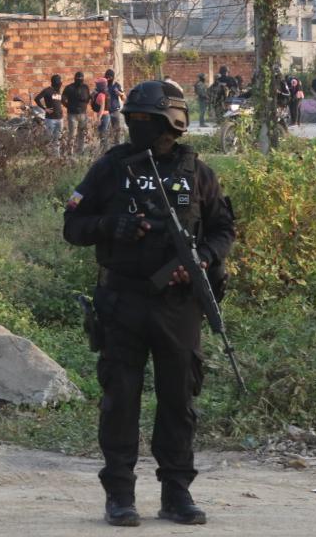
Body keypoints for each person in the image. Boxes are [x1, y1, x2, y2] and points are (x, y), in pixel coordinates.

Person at [63, 80, 236, 528]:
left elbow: (222, 230)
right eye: (132, 119)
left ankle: (176, 491)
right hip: (123, 300)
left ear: (170, 123)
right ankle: (119, 493)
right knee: (120, 398)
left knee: (179, 399)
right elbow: (73, 225)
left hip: (178, 305)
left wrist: (201, 257)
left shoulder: (197, 171)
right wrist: (111, 225)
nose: (136, 126)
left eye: (146, 120)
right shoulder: (111, 168)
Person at [62, 72, 91, 155]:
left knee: (81, 134)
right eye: (78, 78)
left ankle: (80, 151)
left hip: (82, 113)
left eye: (81, 78)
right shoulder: (69, 87)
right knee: (72, 134)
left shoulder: (85, 87)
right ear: (75, 78)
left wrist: (83, 105)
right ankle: (70, 152)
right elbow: (63, 99)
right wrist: (69, 106)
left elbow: (88, 98)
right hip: (73, 114)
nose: (79, 80)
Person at [35, 74, 64, 142]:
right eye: (59, 82)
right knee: (49, 139)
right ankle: (48, 152)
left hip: (60, 118)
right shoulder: (47, 90)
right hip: (50, 119)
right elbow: (37, 99)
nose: (60, 84)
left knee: (58, 139)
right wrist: (45, 108)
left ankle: (56, 153)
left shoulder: (58, 91)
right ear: (55, 83)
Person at [104, 69, 126, 144]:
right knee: (106, 131)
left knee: (117, 131)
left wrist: (119, 93)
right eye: (106, 77)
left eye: (109, 77)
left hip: (115, 111)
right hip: (106, 112)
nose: (108, 79)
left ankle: (117, 145)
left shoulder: (117, 85)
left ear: (112, 77)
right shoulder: (104, 85)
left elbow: (124, 98)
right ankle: (106, 147)